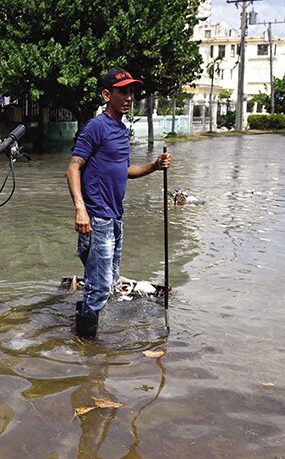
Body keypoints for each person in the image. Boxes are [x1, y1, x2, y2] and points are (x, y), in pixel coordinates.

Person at [66, 68, 172, 338]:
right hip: (97, 217)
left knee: (107, 281)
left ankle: (83, 329)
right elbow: (73, 168)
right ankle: (86, 345)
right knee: (100, 287)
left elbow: (122, 171)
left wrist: (154, 166)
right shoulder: (96, 127)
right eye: (122, 91)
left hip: (115, 217)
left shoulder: (121, 131)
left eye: (131, 92)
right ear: (106, 94)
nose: (128, 97)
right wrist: (81, 209)